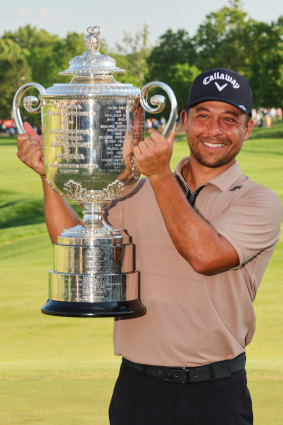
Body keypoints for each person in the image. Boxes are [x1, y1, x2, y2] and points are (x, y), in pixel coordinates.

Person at [17, 68, 282, 425]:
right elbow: (84, 251)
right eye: (203, 116)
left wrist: (158, 174)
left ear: (247, 128)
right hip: (138, 392)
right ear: (184, 121)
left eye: (229, 119)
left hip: (217, 394)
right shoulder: (135, 189)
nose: (215, 130)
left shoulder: (258, 201)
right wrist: (48, 176)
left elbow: (205, 257)